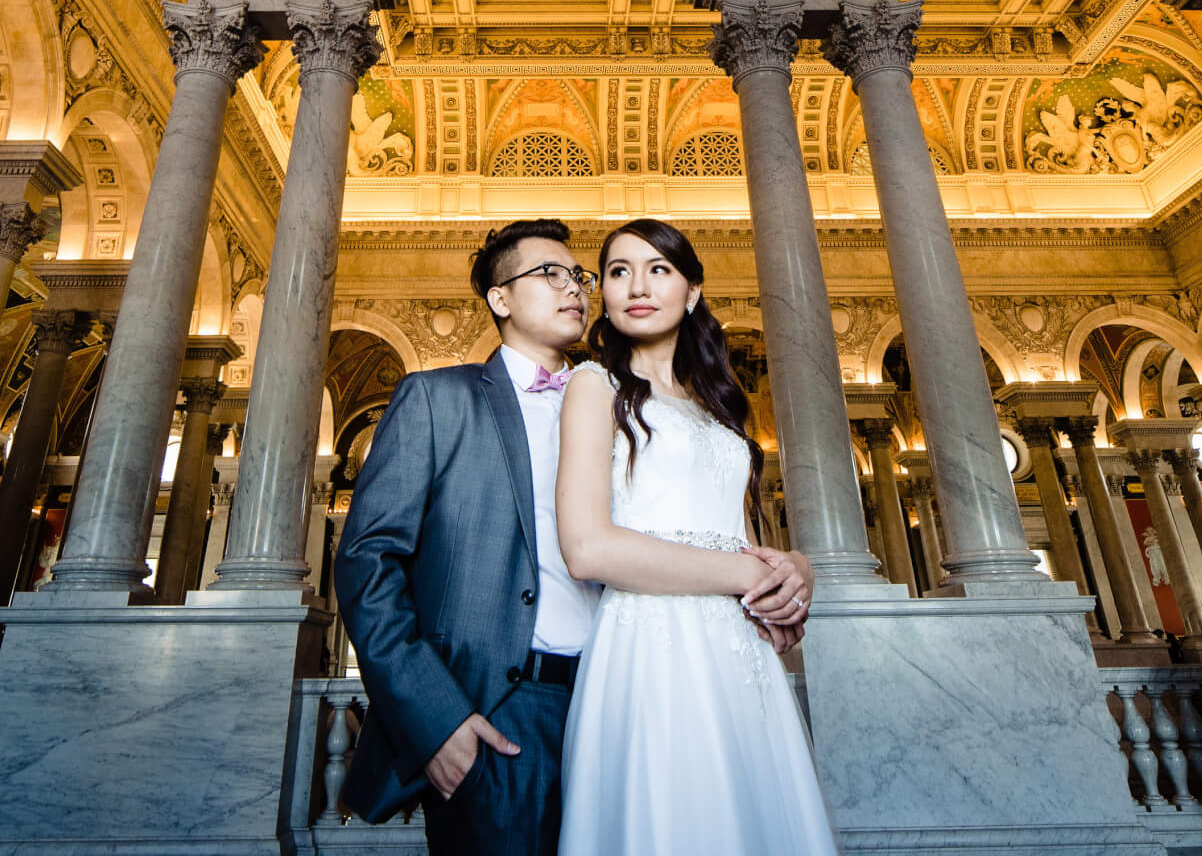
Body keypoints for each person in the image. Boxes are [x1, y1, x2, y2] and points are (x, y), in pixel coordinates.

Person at [335, 219, 814, 854]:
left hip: (633, 684)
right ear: (500, 298)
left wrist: (793, 568)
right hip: (503, 708)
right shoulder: (437, 399)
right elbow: (369, 563)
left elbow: (702, 520)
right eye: (549, 274)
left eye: (580, 275)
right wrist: (434, 717)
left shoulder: (622, 395)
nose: (575, 288)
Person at [557, 218, 838, 855]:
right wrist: (747, 576)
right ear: (602, 292)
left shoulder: (718, 406)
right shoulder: (592, 386)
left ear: (692, 292)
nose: (637, 284)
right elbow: (587, 548)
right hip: (649, 643)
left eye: (659, 269)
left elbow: (743, 541)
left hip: (739, 648)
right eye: (619, 270)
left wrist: (794, 570)